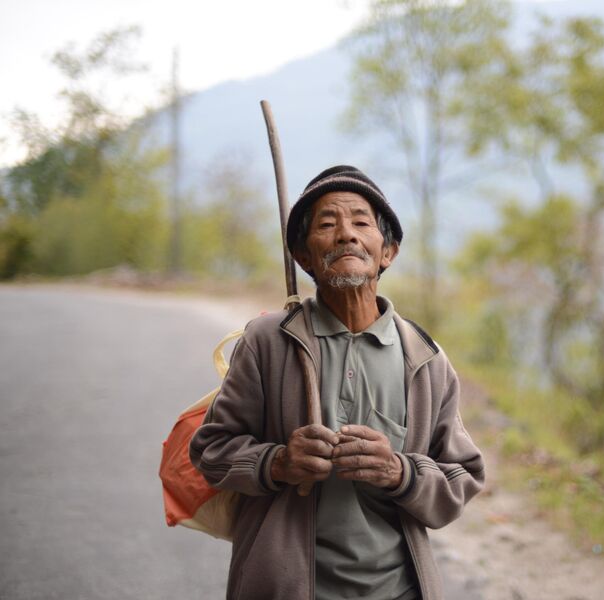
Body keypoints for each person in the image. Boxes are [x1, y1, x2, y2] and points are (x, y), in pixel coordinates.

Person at [190, 165, 485, 600]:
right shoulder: (268, 342)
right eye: (327, 224)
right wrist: (278, 462)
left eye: (362, 222)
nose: (346, 234)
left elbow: (462, 476)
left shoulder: (424, 359)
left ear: (388, 251)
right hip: (285, 587)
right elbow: (210, 451)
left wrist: (398, 471)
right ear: (304, 257)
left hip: (398, 589)